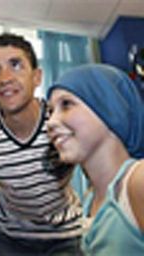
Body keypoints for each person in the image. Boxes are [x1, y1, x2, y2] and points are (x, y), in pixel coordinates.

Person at [0, 33, 83, 256]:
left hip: (64, 235)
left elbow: (98, 170)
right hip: (11, 238)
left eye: (16, 65)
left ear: (37, 77)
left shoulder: (64, 121)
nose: (5, 78)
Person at [46, 63, 144, 255]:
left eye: (66, 104)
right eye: (51, 111)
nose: (50, 122)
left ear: (109, 109)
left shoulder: (138, 182)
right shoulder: (90, 198)